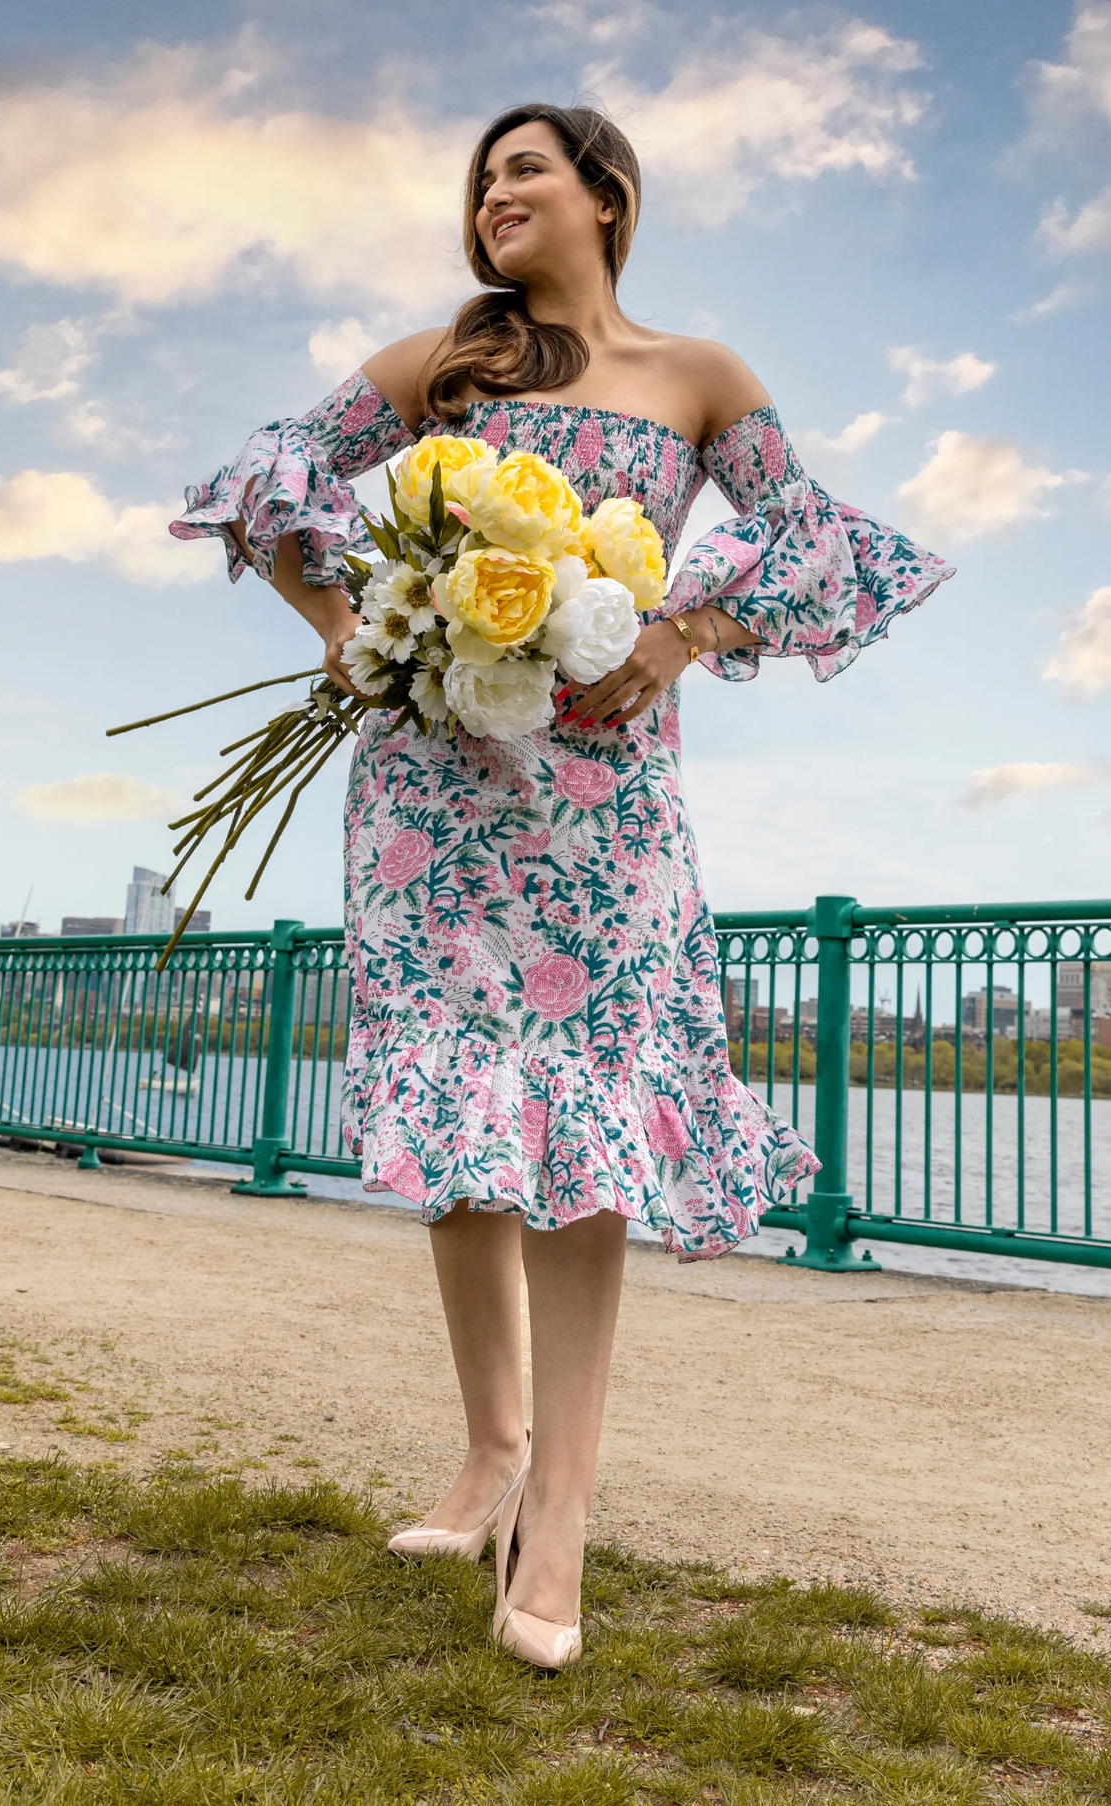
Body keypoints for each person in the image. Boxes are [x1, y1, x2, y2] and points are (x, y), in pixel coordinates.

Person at [171, 103, 952, 1670]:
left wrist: (686, 632)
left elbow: (820, 540)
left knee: (583, 1129)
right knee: (465, 1124)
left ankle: (563, 1512)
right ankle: (491, 1450)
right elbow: (263, 477)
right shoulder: (434, 369)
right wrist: (358, 635)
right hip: (434, 798)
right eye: (481, 179)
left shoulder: (701, 379)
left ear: (607, 194)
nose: (493, 194)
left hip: (610, 805)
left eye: (524, 168)